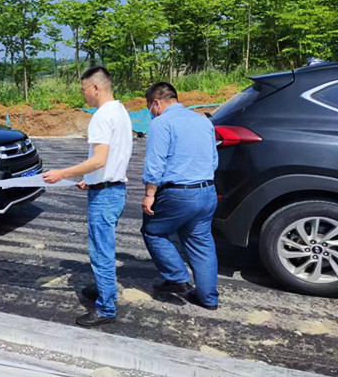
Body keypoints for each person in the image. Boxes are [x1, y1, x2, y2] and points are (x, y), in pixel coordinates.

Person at [42, 67, 133, 327]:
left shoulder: (102, 116)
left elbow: (99, 159)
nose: (83, 94)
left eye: (83, 89)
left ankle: (106, 308)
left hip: (104, 195)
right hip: (113, 189)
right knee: (104, 247)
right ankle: (105, 290)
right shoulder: (120, 111)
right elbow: (110, 158)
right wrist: (90, 179)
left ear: (95, 87)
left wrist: (62, 173)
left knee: (101, 252)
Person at [141, 82, 220, 310]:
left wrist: (149, 194)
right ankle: (208, 299)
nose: (151, 112)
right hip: (207, 191)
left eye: (149, 106)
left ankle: (177, 278)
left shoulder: (161, 123)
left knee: (153, 231)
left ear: (156, 103)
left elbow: (155, 163)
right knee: (201, 243)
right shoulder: (203, 121)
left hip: (179, 193)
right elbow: (213, 160)